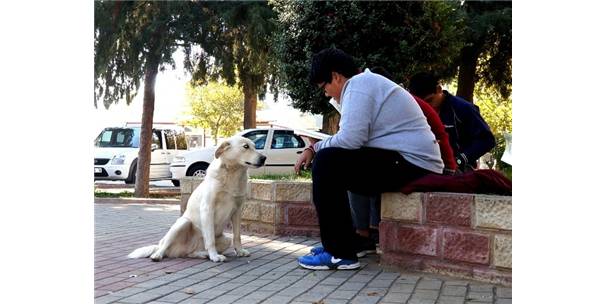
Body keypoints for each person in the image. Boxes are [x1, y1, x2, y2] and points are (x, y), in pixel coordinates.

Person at [294, 48, 444, 270]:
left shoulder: (359, 85)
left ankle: (339, 252)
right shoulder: (365, 84)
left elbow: (350, 139)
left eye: (324, 86)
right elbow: (355, 140)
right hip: (409, 161)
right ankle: (349, 243)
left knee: (327, 162)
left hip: (413, 164)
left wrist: (315, 149)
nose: (326, 93)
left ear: (336, 76)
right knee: (335, 161)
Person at [345, 67, 458, 255]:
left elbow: (441, 135)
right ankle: (367, 231)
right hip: (398, 160)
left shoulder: (409, 103)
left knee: (360, 170)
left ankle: (366, 233)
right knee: (363, 168)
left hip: (418, 163)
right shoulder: (374, 105)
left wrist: (450, 170)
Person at [408, 72, 496, 171]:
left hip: (460, 170)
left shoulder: (463, 108)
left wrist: (460, 160)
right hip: (430, 166)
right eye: (421, 104)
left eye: (429, 100)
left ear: (439, 90)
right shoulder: (416, 111)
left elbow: (488, 140)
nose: (426, 107)